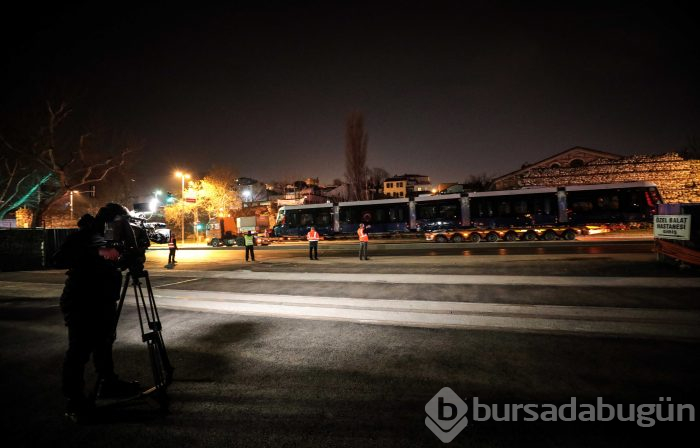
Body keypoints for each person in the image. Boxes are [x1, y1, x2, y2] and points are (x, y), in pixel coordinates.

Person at [53, 211, 140, 423]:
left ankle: (108, 383)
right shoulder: (84, 236)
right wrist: (95, 254)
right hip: (81, 301)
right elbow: (59, 259)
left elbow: (111, 263)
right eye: (120, 224)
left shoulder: (108, 239)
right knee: (79, 350)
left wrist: (121, 257)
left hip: (103, 300)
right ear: (108, 222)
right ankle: (74, 401)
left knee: (105, 343)